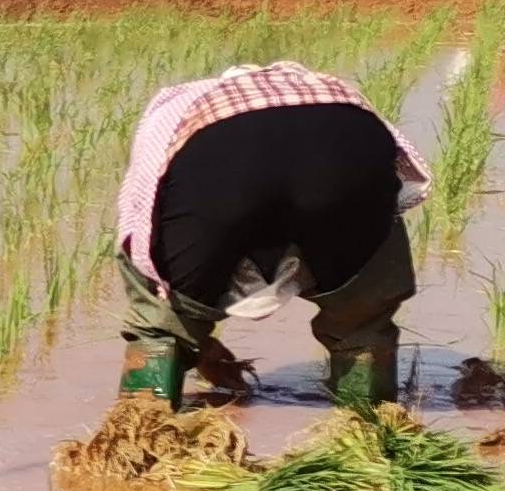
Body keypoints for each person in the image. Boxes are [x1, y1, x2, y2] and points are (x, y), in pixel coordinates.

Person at [112, 61, 424, 408]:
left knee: (161, 321)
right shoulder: (330, 91)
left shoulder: (179, 105)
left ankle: (138, 430)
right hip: (347, 149)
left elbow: (143, 214)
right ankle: (371, 432)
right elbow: (386, 196)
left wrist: (177, 327)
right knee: (363, 318)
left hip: (216, 162)